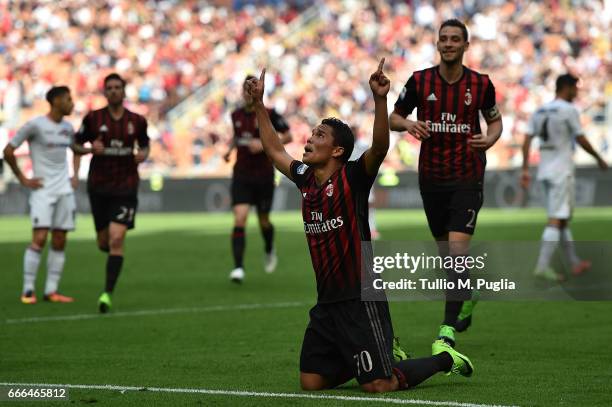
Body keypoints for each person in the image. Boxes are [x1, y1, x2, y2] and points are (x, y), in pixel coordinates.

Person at [249, 60, 473, 393]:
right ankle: (370, 359)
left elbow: (380, 147)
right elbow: (273, 149)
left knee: (380, 384)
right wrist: (258, 105)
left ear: (337, 150)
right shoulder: (305, 179)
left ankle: (444, 359)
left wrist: (380, 99)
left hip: (360, 297)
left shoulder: (353, 178)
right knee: (311, 382)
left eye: (319, 136)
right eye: (311, 134)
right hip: (327, 302)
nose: (309, 140)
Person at [389, 19, 503, 347]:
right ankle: (467, 294)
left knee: (455, 252)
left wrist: (490, 140)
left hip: (467, 176)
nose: (449, 43)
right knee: (447, 258)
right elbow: (394, 116)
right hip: (431, 178)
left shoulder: (481, 84)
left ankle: (447, 330)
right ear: (438, 45)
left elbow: (495, 122)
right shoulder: (420, 81)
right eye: (444, 39)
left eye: (455, 39)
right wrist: (409, 123)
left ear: (466, 46)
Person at [72, 73, 150, 313]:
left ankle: (107, 294)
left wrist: (143, 155)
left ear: (124, 91)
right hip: (99, 187)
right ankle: (113, 258)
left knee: (117, 239)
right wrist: (87, 149)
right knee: (104, 242)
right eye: (110, 88)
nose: (114, 91)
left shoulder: (137, 120)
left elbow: (145, 145)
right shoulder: (94, 118)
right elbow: (74, 143)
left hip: (126, 187)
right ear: (105, 92)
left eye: (118, 87)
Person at [521, 73, 608, 281]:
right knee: (556, 220)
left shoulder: (540, 110)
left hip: (544, 170)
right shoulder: (569, 110)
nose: (577, 92)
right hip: (561, 171)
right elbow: (580, 138)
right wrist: (598, 157)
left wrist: (525, 169)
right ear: (566, 87)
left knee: (562, 219)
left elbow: (526, 138)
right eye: (575, 88)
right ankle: (542, 267)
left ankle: (574, 263)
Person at [3, 86, 78, 304]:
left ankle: (51, 291)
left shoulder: (67, 127)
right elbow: (8, 150)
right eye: (68, 99)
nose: (72, 103)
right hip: (43, 190)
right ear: (55, 101)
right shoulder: (36, 125)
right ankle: (28, 290)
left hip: (64, 190)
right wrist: (22, 178)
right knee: (39, 238)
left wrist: (74, 175)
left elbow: (77, 149)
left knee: (60, 239)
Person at [223, 75, 291, 283]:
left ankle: (269, 248)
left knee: (263, 221)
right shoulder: (235, 115)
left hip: (263, 175)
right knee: (240, 218)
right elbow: (238, 137)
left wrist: (263, 145)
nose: (247, 93)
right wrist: (229, 150)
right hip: (242, 173)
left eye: (252, 89)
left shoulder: (270, 113)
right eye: (245, 89)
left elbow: (288, 135)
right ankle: (238, 268)